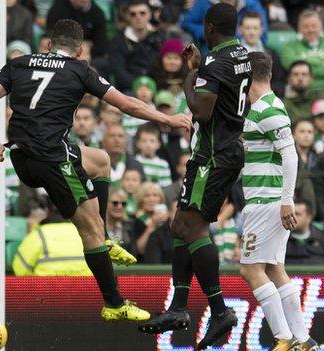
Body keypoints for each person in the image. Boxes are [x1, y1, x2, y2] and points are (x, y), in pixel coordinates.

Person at [0, 19, 191, 322]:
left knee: (101, 159)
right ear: (80, 50)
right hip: (54, 160)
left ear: (50, 44)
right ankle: (115, 302)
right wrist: (168, 120)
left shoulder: (19, 63)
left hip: (22, 160)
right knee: (89, 231)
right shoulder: (80, 70)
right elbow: (128, 105)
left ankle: (104, 239)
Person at [141, 4, 250, 348]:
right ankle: (178, 305)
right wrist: (201, 67)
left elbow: (201, 110)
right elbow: (221, 84)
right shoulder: (242, 54)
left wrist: (190, 76)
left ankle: (218, 310)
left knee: (194, 227)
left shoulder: (215, 63)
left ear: (209, 27)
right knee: (179, 225)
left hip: (213, 154)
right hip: (226, 149)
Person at [238, 51, 318, 351]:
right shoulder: (262, 107)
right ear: (269, 74)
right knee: (273, 268)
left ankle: (282, 337)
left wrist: (287, 200)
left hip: (266, 201)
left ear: (246, 77)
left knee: (249, 269)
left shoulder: (268, 109)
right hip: (268, 199)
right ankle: (302, 338)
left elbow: (290, 155)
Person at [12, 200, 93, 276]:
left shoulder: (38, 235)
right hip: (85, 288)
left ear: (47, 211)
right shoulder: (85, 233)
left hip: (46, 289)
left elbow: (20, 271)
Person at [282, 61, 324, 129]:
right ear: (289, 79)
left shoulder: (322, 97)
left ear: (311, 78)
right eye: (296, 74)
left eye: (304, 74)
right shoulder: (283, 105)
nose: (300, 78)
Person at [286, 200, 324, 265]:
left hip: (321, 275)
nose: (292, 217)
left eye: (297, 214)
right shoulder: (281, 239)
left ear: (309, 217)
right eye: (291, 214)